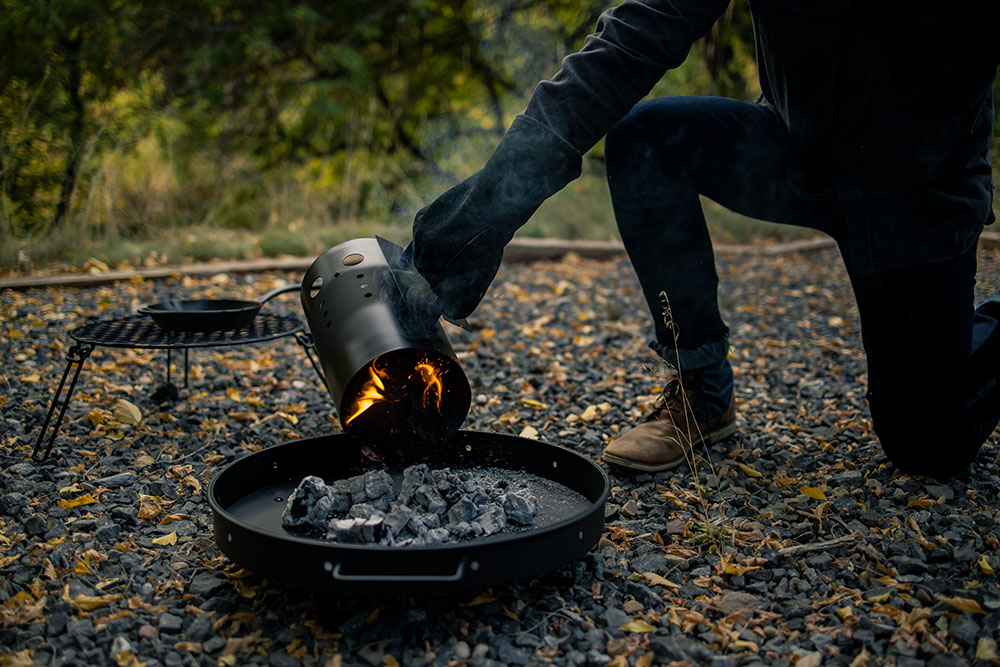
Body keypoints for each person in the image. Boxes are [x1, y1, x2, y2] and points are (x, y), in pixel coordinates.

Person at [410, 1, 1000, 478]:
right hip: (792, 153)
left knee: (927, 445)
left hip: (917, 195)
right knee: (647, 142)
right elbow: (634, 36)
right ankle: (704, 390)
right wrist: (480, 217)